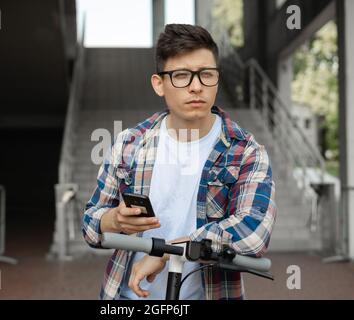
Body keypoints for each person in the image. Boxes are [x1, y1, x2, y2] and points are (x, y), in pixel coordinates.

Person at [82, 23, 277, 300]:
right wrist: (114, 219)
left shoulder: (246, 151)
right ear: (159, 84)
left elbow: (254, 234)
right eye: (182, 76)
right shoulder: (129, 143)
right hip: (125, 297)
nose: (196, 87)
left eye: (206, 75)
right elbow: (90, 224)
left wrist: (167, 251)